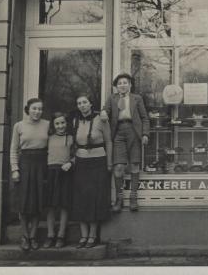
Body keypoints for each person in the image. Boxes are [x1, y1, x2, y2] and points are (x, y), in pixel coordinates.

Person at [100, 73, 149, 212]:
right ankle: (119, 198)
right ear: (116, 86)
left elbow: (145, 118)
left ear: (130, 85)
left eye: (125, 82)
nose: (122, 85)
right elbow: (105, 110)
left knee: (134, 164)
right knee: (119, 167)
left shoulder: (137, 98)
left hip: (134, 131)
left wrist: (145, 134)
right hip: (118, 132)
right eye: (119, 83)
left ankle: (133, 197)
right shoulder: (112, 98)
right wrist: (103, 112)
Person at [71, 94, 112, 248]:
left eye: (84, 102)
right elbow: (73, 144)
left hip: (98, 162)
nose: (82, 105)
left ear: (90, 104)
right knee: (81, 198)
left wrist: (109, 163)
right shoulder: (75, 121)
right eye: (79, 103)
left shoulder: (101, 120)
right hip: (81, 163)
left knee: (94, 198)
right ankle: (83, 235)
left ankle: (93, 235)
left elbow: (109, 141)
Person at [10, 98, 50, 251]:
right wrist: (15, 169)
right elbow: (13, 149)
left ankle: (33, 236)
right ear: (28, 109)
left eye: (40, 109)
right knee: (24, 203)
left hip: (42, 165)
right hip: (24, 164)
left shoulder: (47, 125)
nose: (37, 112)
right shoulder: (19, 126)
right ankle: (24, 236)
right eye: (34, 108)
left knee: (37, 203)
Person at [43, 112, 74, 249]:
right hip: (51, 172)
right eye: (57, 123)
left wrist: (71, 163)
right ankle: (50, 235)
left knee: (63, 204)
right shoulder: (48, 139)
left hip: (65, 172)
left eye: (62, 123)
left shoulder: (71, 138)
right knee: (50, 205)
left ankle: (61, 235)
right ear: (53, 125)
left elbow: (77, 154)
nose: (60, 126)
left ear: (66, 124)